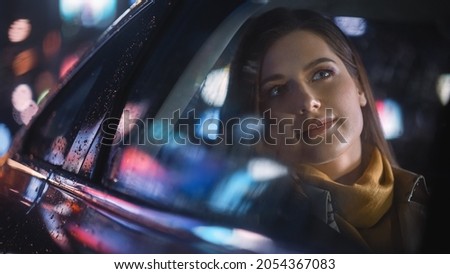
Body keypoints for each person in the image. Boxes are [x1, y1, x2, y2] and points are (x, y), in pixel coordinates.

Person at [229, 8, 429, 253]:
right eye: (277, 90)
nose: (307, 101)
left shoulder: (427, 198)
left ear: (359, 88)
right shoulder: (252, 232)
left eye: (322, 74)